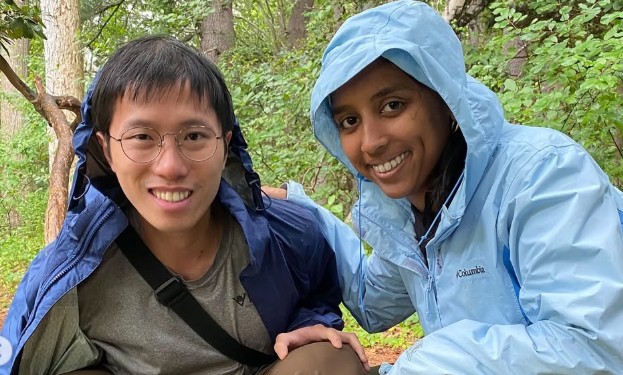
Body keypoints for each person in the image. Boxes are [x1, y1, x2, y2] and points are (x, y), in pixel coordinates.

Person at [268, 1, 623, 373]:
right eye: (350, 120)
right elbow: (372, 302)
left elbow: (595, 348)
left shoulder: (541, 175)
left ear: (447, 98)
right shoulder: (413, 211)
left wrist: (421, 364)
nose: (370, 142)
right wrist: (300, 210)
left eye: (392, 105)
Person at [0, 36, 369, 375]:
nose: (171, 166)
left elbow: (318, 296)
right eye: (142, 137)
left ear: (225, 144)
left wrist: (307, 324)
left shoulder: (288, 236)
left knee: (331, 360)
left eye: (194, 136)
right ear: (106, 149)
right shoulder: (72, 271)